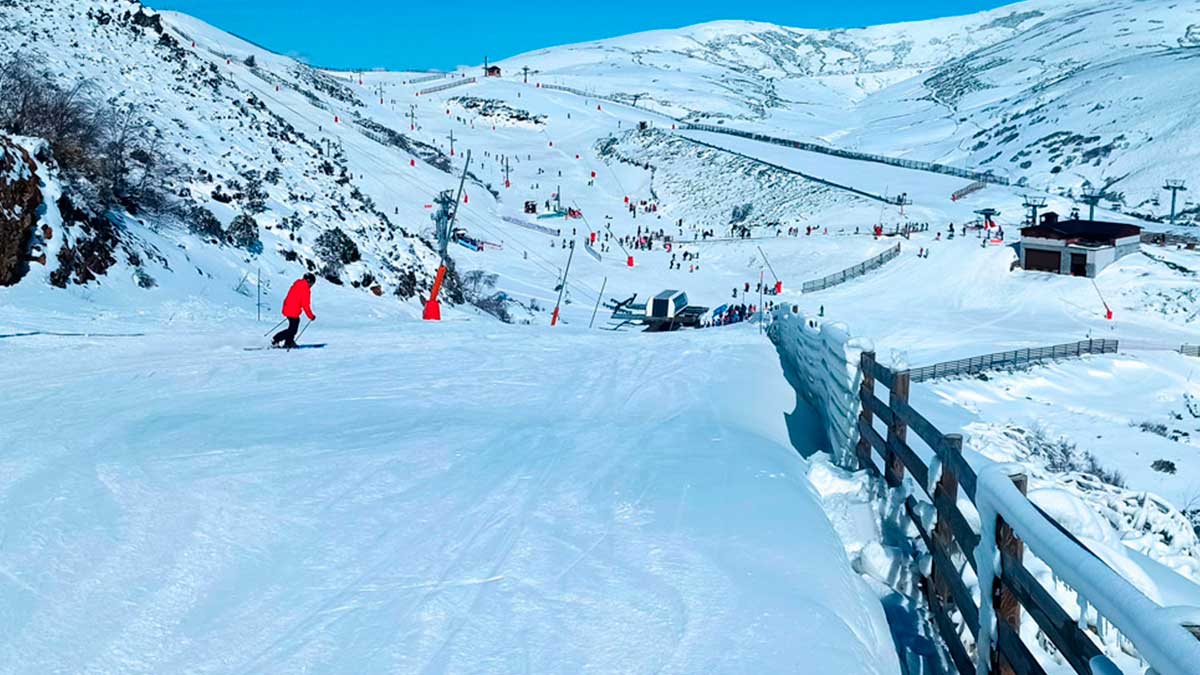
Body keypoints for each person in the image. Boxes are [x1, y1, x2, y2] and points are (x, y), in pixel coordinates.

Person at [273, 273, 316, 348]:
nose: (311, 286)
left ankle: (288, 342)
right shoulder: (305, 289)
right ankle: (276, 339)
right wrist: (311, 316)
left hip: (287, 308)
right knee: (293, 330)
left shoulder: (297, 284)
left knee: (292, 328)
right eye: (312, 283)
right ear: (309, 281)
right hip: (293, 310)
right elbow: (305, 305)